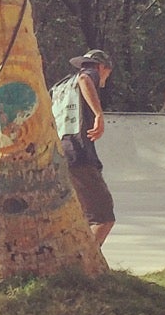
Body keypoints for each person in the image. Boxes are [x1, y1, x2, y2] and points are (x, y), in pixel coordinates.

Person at [48, 50, 116, 250]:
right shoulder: (89, 72)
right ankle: (87, 263)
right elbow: (86, 79)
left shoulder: (60, 86)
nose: (104, 79)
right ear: (102, 67)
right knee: (103, 217)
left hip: (58, 154)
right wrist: (98, 114)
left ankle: (73, 260)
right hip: (78, 153)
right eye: (107, 73)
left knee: (81, 216)